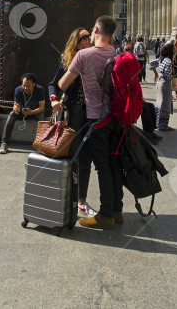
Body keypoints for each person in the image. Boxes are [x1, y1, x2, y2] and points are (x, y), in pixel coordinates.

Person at [58, 15, 123, 229]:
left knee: (102, 167)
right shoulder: (118, 53)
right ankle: (116, 210)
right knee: (114, 164)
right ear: (112, 35)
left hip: (96, 118)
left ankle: (105, 215)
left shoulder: (83, 55)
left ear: (95, 29)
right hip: (117, 117)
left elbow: (62, 84)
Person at [48, 27, 96, 218]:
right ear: (76, 42)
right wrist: (53, 99)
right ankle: (64, 197)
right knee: (69, 157)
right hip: (73, 114)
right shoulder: (68, 60)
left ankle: (81, 201)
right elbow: (54, 83)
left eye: (89, 36)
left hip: (91, 114)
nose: (89, 39)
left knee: (86, 158)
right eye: (85, 37)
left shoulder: (95, 58)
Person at [0, 74, 45, 153]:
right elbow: (15, 105)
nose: (26, 88)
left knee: (42, 118)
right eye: (24, 85)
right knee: (12, 114)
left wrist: (32, 112)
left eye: (28, 86)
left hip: (35, 111)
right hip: (23, 111)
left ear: (34, 84)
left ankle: (43, 145)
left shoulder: (40, 90)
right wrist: (16, 108)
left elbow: (42, 108)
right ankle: (4, 143)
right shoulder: (18, 90)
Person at [150, 43, 174, 131]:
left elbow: (151, 64)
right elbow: (168, 76)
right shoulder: (168, 61)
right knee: (165, 104)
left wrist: (156, 73)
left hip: (159, 83)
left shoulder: (161, 59)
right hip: (165, 84)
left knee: (159, 103)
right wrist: (175, 76)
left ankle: (158, 123)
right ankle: (163, 125)